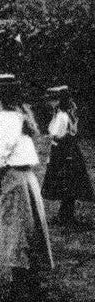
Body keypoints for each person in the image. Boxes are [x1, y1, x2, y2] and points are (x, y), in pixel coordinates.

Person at [0, 73, 54, 302]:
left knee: (16, 234)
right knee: (23, 233)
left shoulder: (2, 120)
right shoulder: (18, 117)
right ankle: (28, 289)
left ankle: (22, 295)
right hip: (23, 180)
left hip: (13, 182)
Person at [41, 85, 93, 227]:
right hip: (68, 152)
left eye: (53, 100)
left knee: (67, 183)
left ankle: (66, 216)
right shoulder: (65, 115)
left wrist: (52, 157)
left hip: (63, 153)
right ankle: (64, 215)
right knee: (68, 184)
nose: (50, 103)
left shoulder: (62, 116)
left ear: (59, 101)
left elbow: (56, 135)